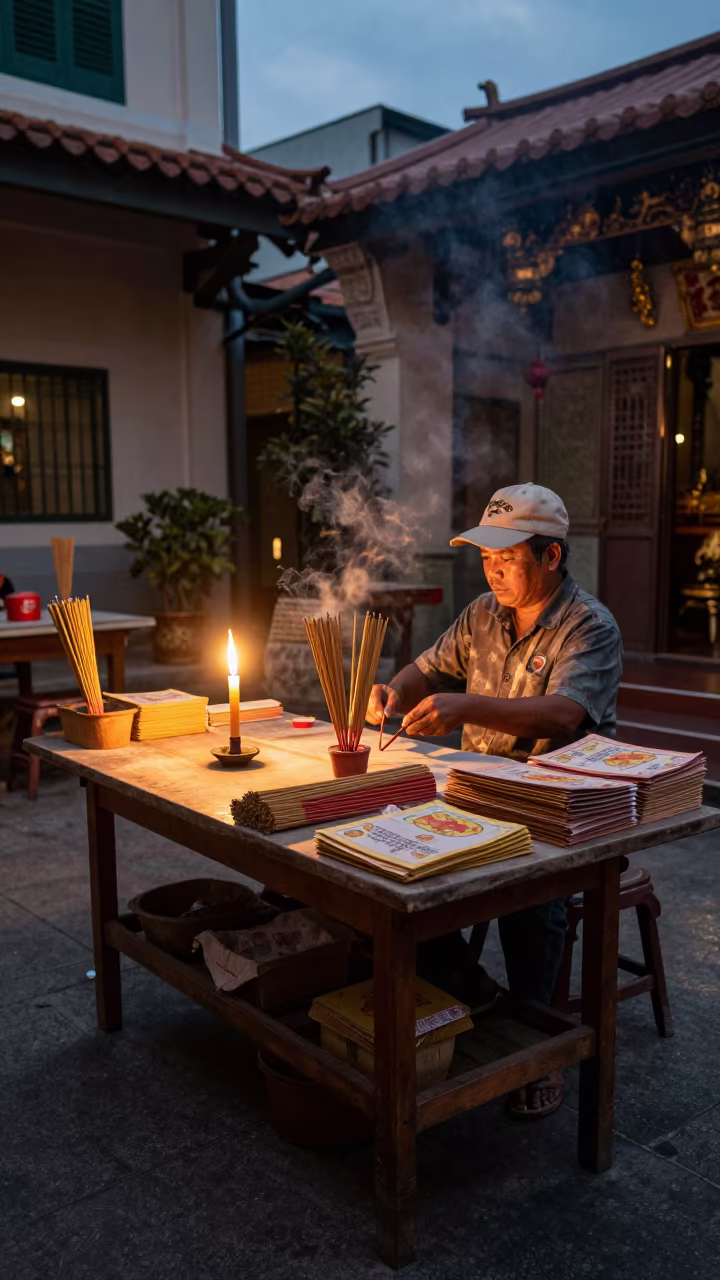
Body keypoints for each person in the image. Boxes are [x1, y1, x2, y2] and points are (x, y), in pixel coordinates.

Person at [367, 483, 622, 1118]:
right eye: (486, 557)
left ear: (551, 556)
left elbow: (565, 713)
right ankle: (472, 992)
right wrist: (393, 692)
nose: (494, 569)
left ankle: (541, 1042)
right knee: (387, 868)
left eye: (507, 556)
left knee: (532, 893)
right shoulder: (482, 613)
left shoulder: (589, 625)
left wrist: (464, 706)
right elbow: (427, 668)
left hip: (558, 802)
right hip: (476, 791)